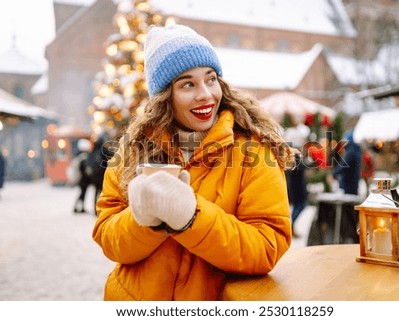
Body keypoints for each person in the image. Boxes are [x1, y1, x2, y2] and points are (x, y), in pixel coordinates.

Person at [92, 24, 295, 300]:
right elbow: (109, 239)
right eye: (187, 84)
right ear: (165, 97)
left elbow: (266, 247)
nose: (205, 94)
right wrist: (145, 221)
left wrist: (191, 218)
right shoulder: (132, 152)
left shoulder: (254, 153)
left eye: (210, 79)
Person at [333, 130, 362, 195]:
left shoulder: (351, 152)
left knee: (348, 202)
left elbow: (343, 165)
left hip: (348, 184)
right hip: (354, 183)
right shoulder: (356, 150)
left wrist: (334, 174)